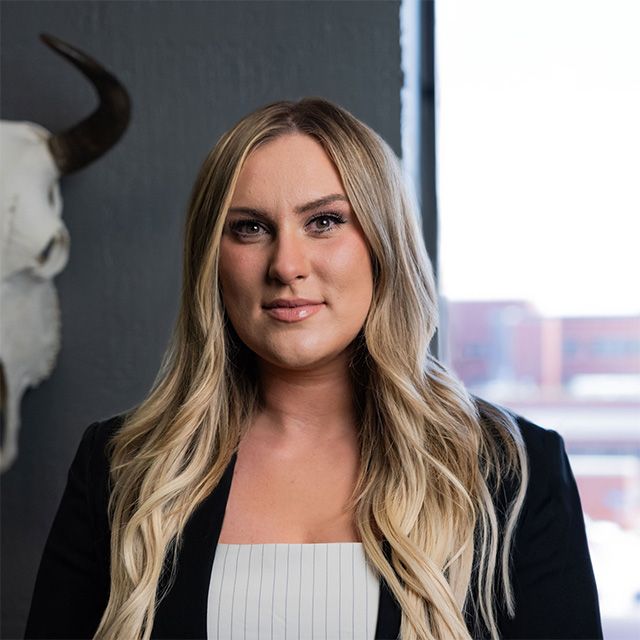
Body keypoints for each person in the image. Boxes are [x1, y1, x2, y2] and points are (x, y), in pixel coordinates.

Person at [25, 98, 602, 640]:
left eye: (324, 221)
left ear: (383, 242)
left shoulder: (512, 470)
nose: (286, 265)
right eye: (249, 227)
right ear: (211, 257)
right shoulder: (123, 466)